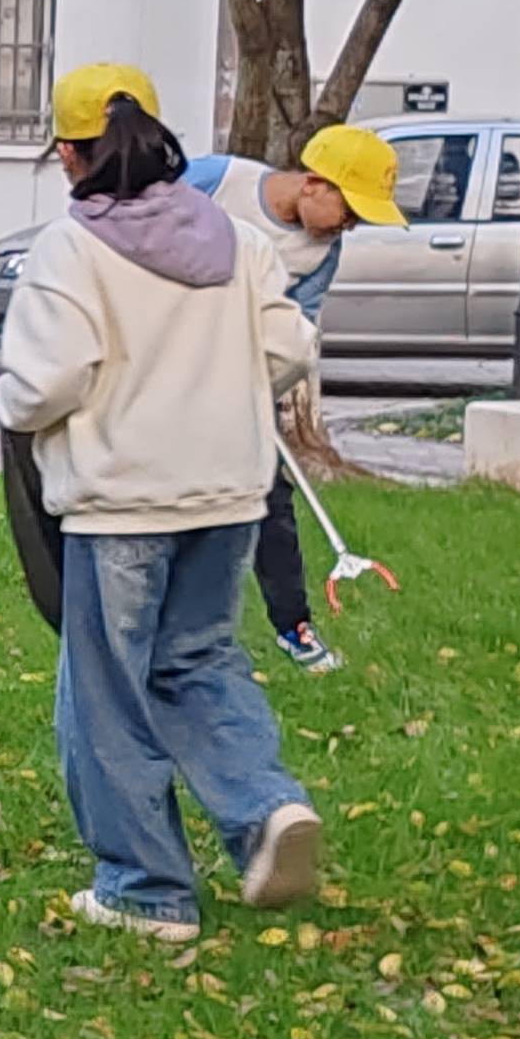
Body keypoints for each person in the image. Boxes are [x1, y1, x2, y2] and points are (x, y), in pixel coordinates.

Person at [0, 64, 328, 947]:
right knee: (200, 661)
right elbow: (289, 347)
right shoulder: (236, 238)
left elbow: (52, 379)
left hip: (121, 499)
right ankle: (268, 811)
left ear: (70, 153)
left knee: (104, 692)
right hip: (228, 494)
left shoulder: (72, 246)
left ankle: (146, 889)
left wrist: (3, 403)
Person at [182, 124, 404, 671]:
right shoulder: (216, 181)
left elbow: (296, 334)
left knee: (270, 502)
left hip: (237, 384)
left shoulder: (321, 254)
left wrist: (259, 381)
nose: (349, 225)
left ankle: (293, 626)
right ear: (313, 184)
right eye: (348, 209)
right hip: (164, 367)